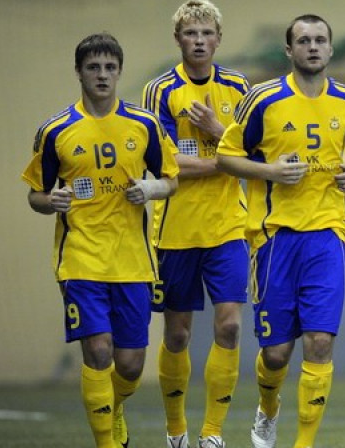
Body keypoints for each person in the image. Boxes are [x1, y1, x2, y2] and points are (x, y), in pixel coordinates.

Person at [215, 14, 345, 448]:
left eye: (320, 39)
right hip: (274, 238)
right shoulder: (263, 100)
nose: (312, 47)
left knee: (320, 341)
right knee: (276, 353)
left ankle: (303, 443)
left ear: (331, 48)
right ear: (289, 50)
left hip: (328, 233)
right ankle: (268, 408)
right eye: (303, 40)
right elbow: (226, 158)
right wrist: (269, 171)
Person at [22, 33, 179, 448]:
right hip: (81, 259)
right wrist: (49, 200)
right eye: (94, 67)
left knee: (128, 366)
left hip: (132, 261)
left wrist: (150, 190)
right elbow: (35, 194)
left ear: (119, 71)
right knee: (98, 351)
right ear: (79, 72)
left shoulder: (143, 125)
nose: (103, 75)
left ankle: (116, 406)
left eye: (110, 67)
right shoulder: (56, 130)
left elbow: (171, 181)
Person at [141, 2, 251, 448]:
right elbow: (166, 165)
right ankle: (175, 431)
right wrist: (223, 158)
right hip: (175, 230)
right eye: (191, 33)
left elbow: (253, 156)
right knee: (178, 333)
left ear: (219, 39)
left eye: (207, 32)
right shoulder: (160, 90)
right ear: (179, 40)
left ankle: (212, 434)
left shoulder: (240, 87)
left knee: (229, 327)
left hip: (229, 227)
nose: (200, 40)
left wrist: (218, 130)